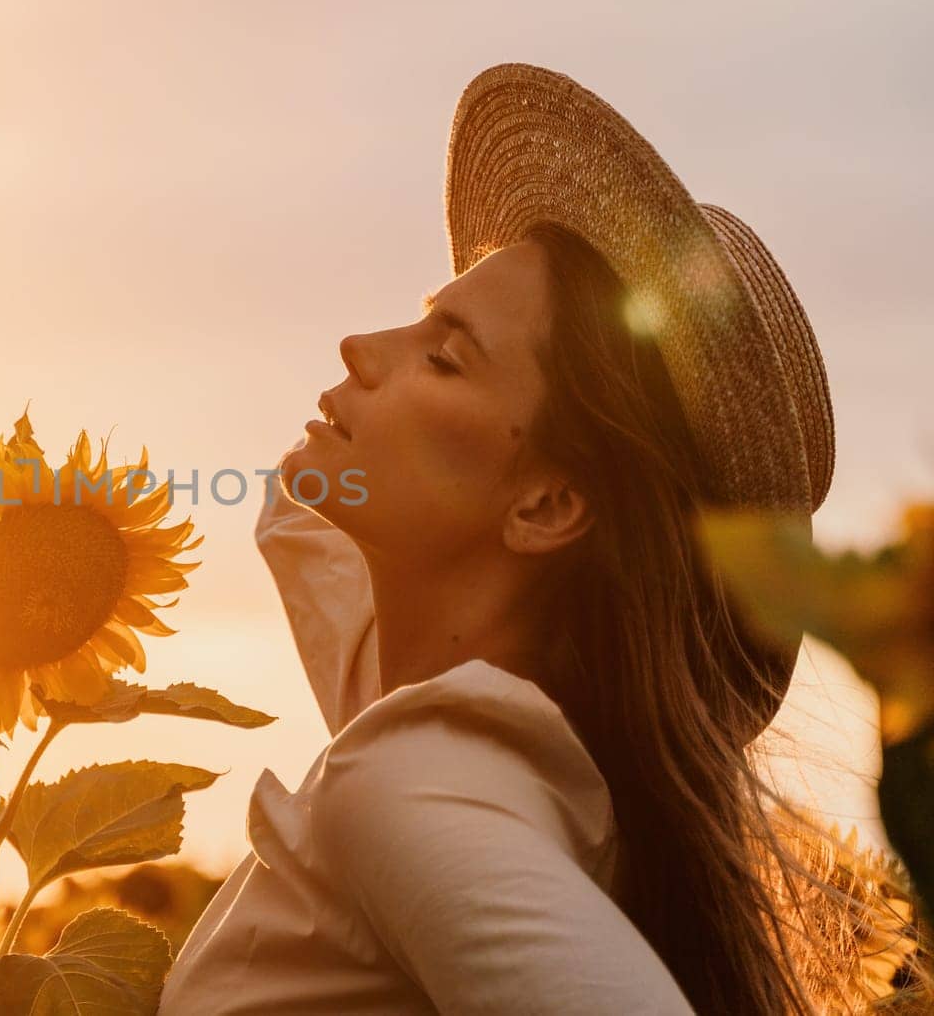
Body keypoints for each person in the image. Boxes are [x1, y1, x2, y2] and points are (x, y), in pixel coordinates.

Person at [159, 63, 869, 1014]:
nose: (359, 349)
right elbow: (301, 521)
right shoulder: (488, 747)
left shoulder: (410, 783)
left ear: (545, 508)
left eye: (445, 356)